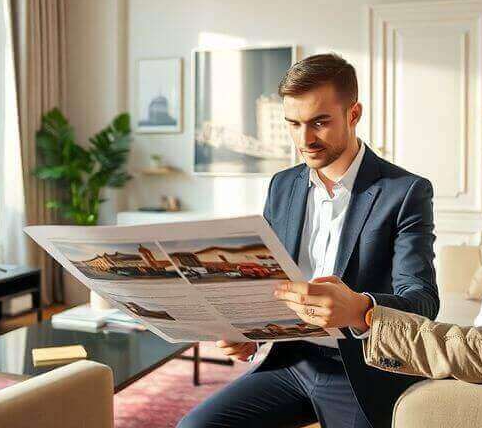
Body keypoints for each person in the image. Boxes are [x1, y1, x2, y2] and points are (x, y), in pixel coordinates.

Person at [179, 53, 439, 428]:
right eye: (293, 124)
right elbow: (268, 280)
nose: (305, 139)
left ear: (353, 114)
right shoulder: (282, 185)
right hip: (289, 362)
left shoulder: (405, 192)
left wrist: (360, 308)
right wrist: (249, 337)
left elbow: (423, 301)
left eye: (320, 122)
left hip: (360, 371)